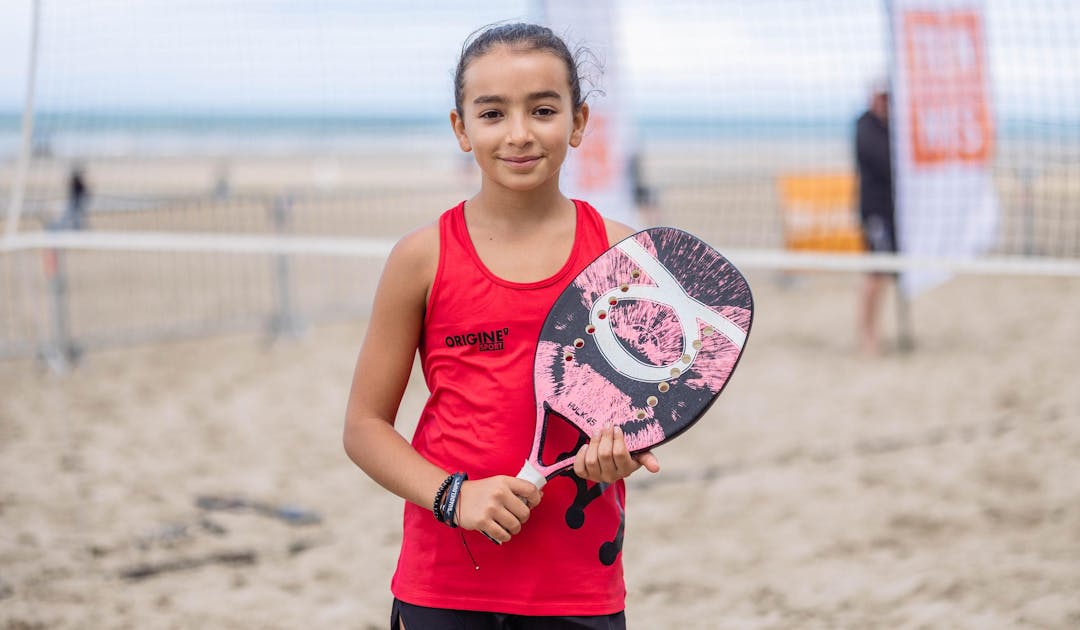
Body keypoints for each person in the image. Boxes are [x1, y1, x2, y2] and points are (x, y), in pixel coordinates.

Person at [342, 23, 660, 630]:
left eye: (542, 110)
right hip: (445, 584)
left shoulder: (622, 258)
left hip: (577, 588)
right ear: (462, 128)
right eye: (492, 113)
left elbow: (637, 413)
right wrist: (453, 496)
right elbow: (362, 427)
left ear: (579, 121)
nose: (519, 134)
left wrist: (622, 451)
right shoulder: (422, 257)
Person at [855, 77, 898, 355]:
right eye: (881, 97)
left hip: (894, 211)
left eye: (889, 97)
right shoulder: (865, 126)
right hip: (875, 213)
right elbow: (884, 162)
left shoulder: (893, 126)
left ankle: (876, 333)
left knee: (887, 273)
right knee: (876, 274)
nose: (885, 102)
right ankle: (868, 336)